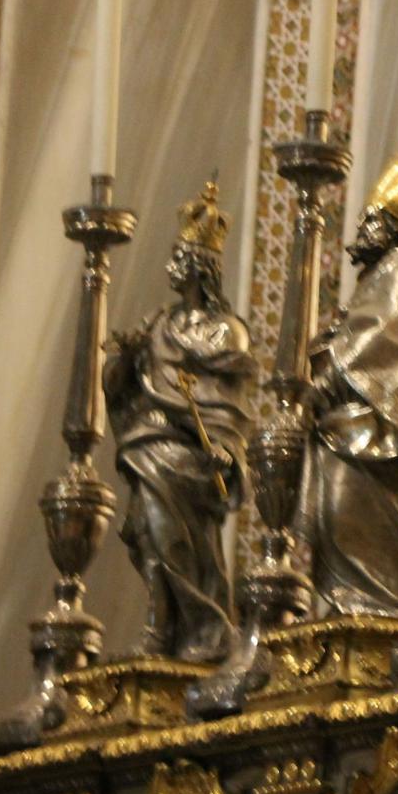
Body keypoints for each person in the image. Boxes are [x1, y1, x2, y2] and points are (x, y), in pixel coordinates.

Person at [297, 156, 398, 624]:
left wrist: (330, 373)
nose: (360, 231)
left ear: (391, 229)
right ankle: (353, 599)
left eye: (370, 222)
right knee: (331, 499)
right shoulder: (375, 279)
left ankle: (396, 601)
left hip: (381, 427)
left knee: (344, 496)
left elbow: (386, 342)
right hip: (352, 419)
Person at [104, 181, 253, 662]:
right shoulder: (157, 324)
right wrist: (123, 360)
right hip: (148, 444)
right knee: (148, 534)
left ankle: (203, 625)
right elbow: (119, 386)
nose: (171, 264)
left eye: (180, 256)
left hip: (192, 457)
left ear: (200, 266)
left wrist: (225, 448)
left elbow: (229, 406)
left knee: (176, 538)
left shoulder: (227, 332)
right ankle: (159, 622)